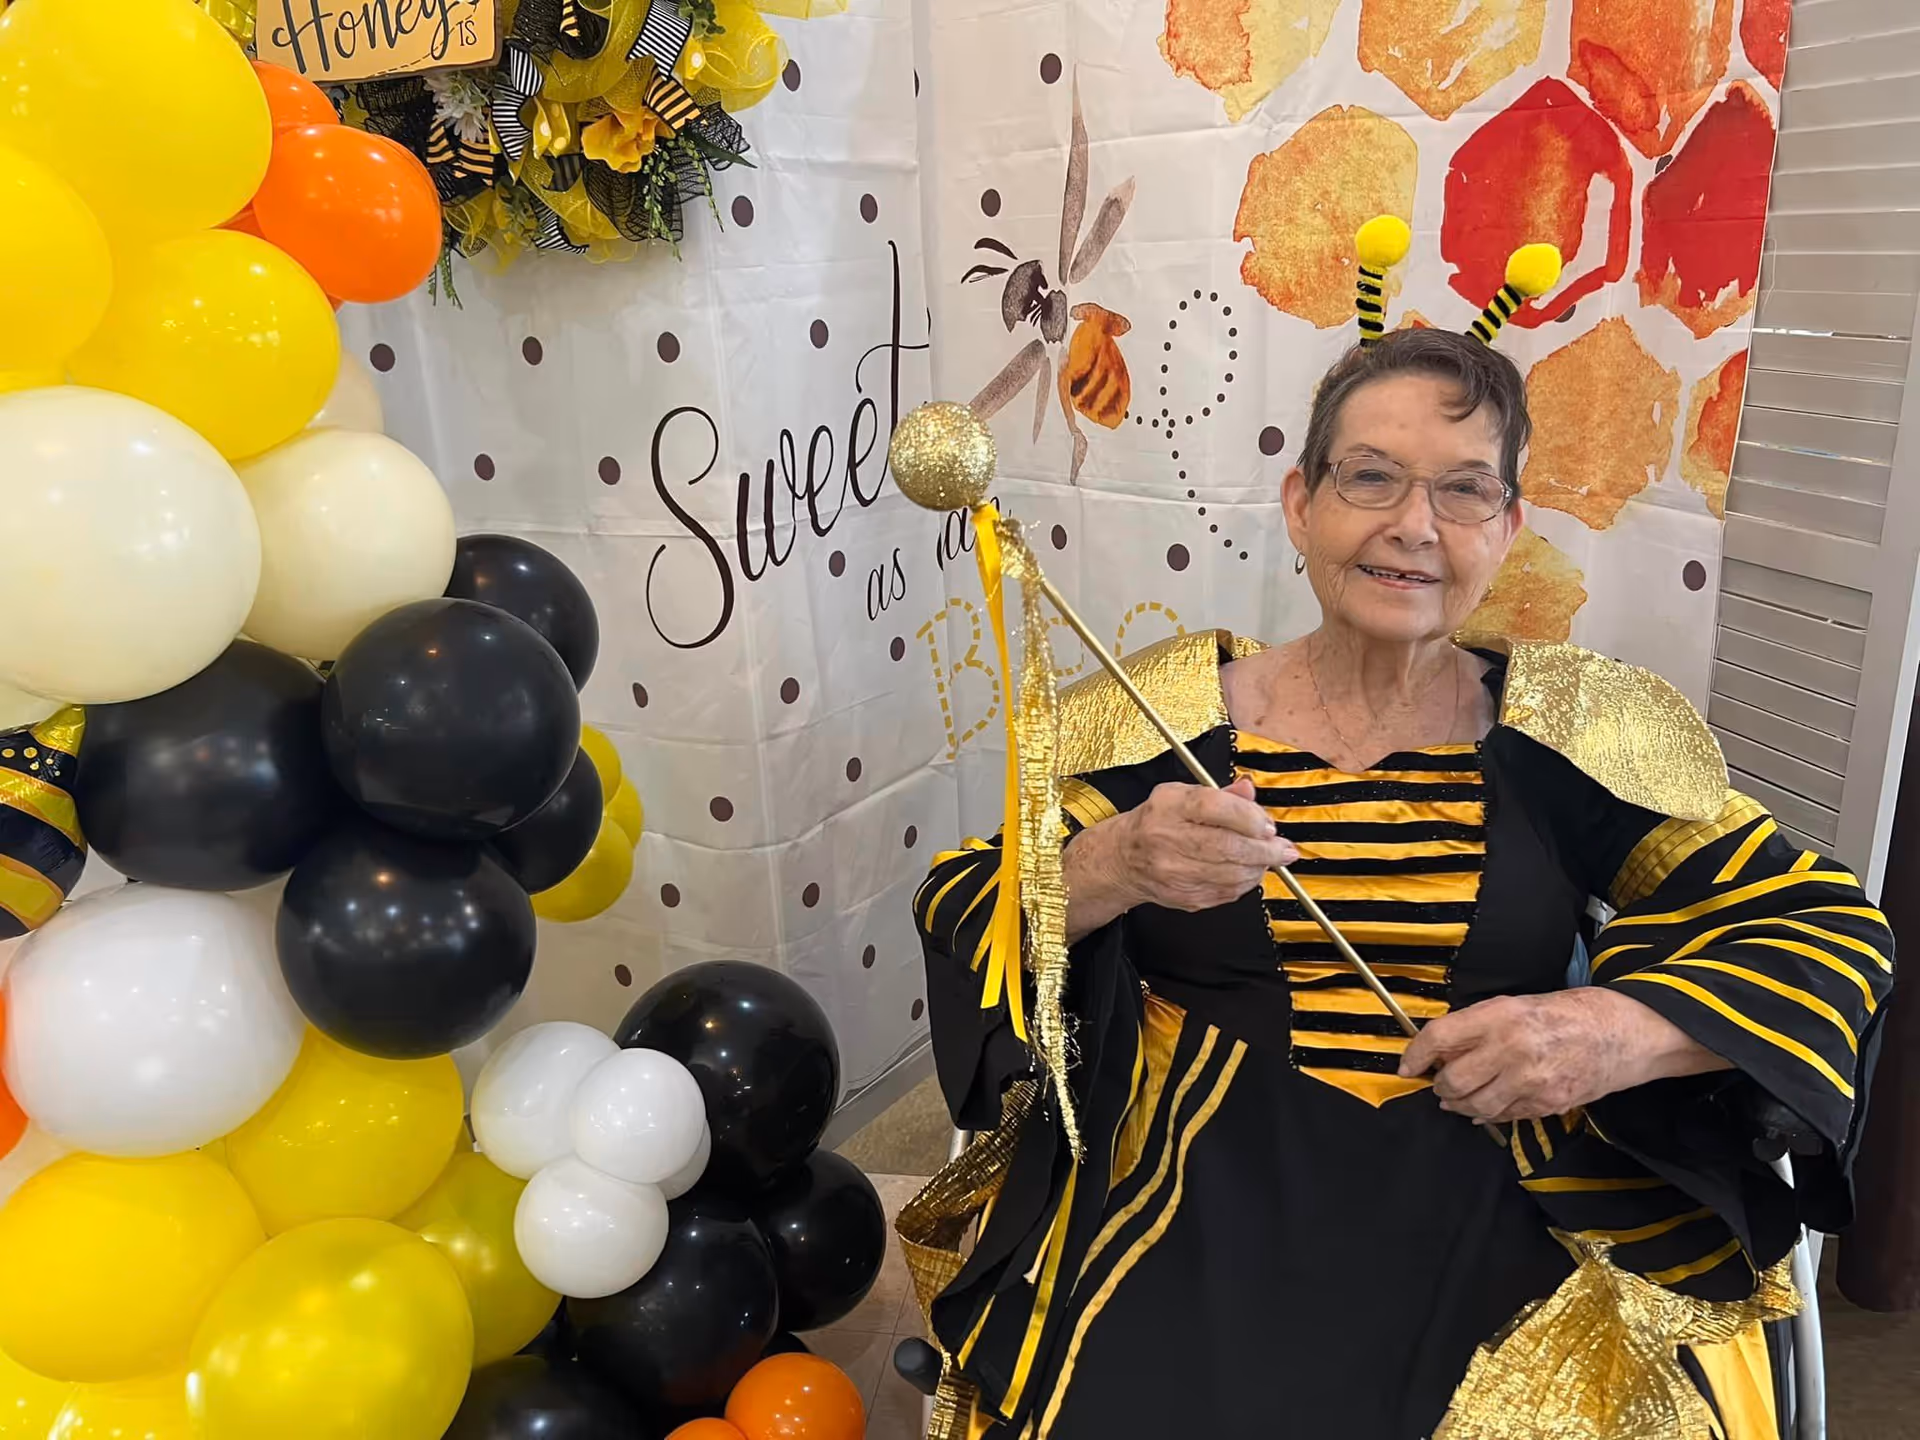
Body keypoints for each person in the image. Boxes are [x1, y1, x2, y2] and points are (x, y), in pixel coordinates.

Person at [902, 327, 1894, 1440]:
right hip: (1190, 1193)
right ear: (1301, 504)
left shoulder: (1574, 733)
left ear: (1508, 529)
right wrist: (1110, 864)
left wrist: (1607, 1032)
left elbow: (1822, 926)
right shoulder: (1159, 718)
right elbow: (965, 905)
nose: (1413, 527)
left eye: (1465, 491)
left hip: (1512, 1192)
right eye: (1369, 476)